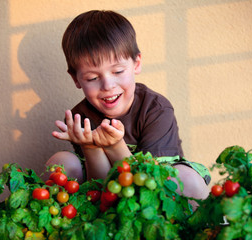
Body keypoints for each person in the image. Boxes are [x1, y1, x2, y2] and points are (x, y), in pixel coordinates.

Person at [46, 10, 210, 202]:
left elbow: (148, 184)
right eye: (92, 78)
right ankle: (67, 229)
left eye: (118, 71)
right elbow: (99, 187)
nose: (108, 86)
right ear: (76, 79)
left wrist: (116, 145)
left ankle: (208, 230)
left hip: (159, 195)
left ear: (136, 64)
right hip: (110, 198)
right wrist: (90, 148)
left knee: (186, 177)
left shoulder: (155, 110)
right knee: (62, 162)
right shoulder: (80, 119)